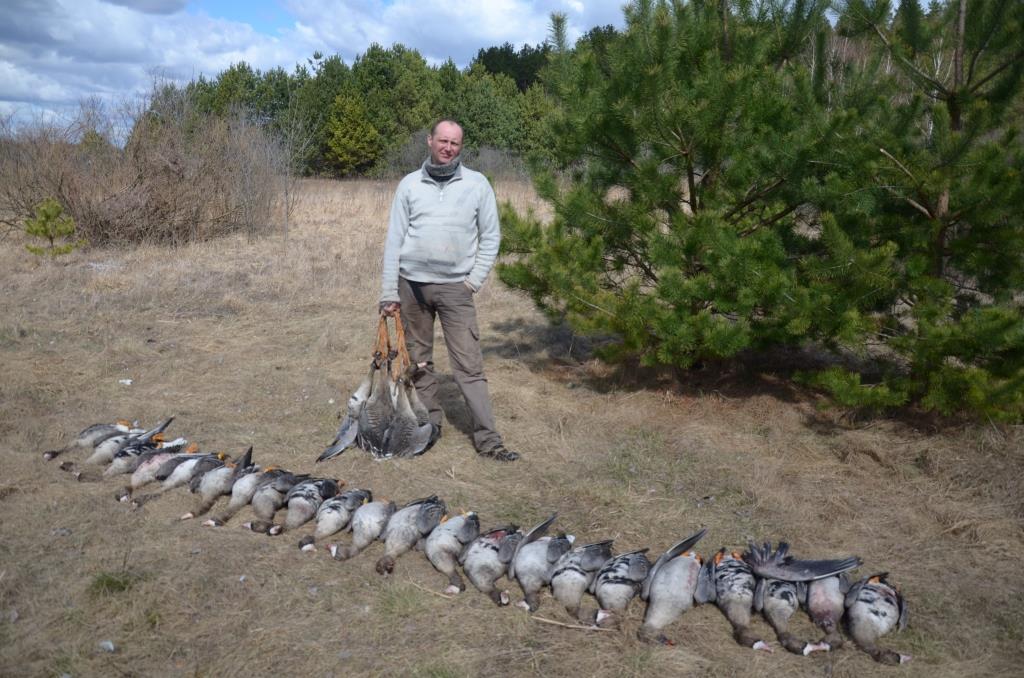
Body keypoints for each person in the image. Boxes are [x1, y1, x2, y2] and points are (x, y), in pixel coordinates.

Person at [378, 119, 519, 462]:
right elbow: (394, 239)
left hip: (457, 289)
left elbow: (491, 236)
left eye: (455, 143)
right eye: (443, 141)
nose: (448, 148)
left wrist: (473, 281)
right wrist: (389, 292)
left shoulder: (477, 184)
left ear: (461, 146)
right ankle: (428, 427)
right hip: (412, 287)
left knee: (469, 366)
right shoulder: (410, 184)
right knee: (419, 363)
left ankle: (488, 440)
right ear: (430, 140)